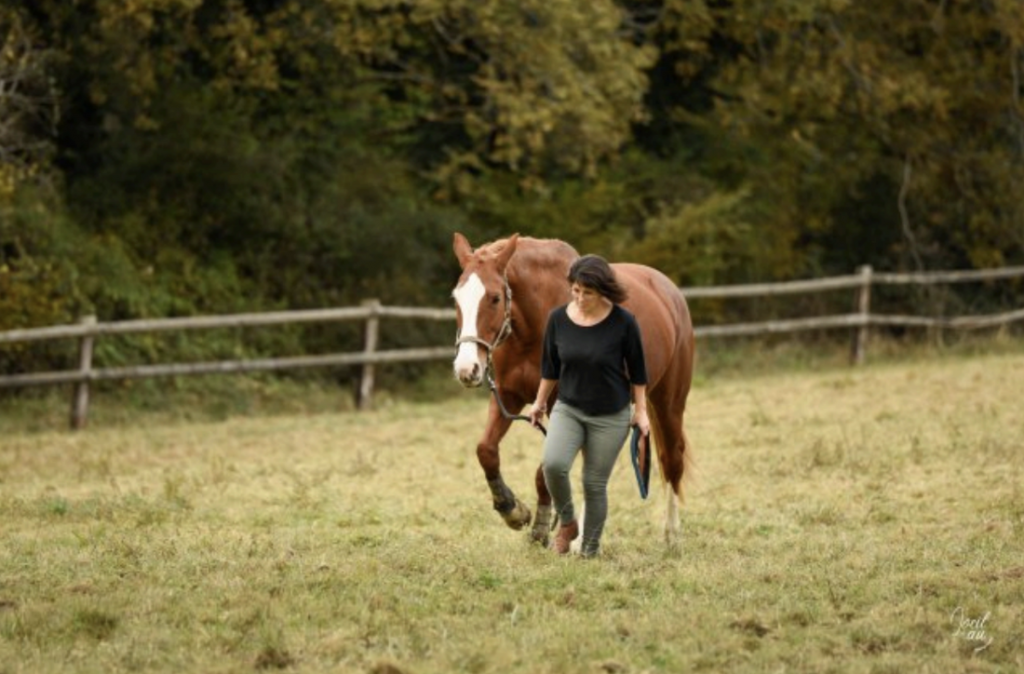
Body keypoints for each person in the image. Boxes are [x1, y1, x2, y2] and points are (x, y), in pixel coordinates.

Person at [528, 254, 649, 557]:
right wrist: (539, 403)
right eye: (576, 291)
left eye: (588, 292)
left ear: (603, 291)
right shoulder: (557, 319)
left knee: (593, 484)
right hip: (568, 408)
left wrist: (642, 412)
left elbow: (638, 373)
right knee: (553, 465)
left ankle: (590, 551)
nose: (580, 298)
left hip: (611, 417)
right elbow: (550, 368)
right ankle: (568, 524)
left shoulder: (624, 323)